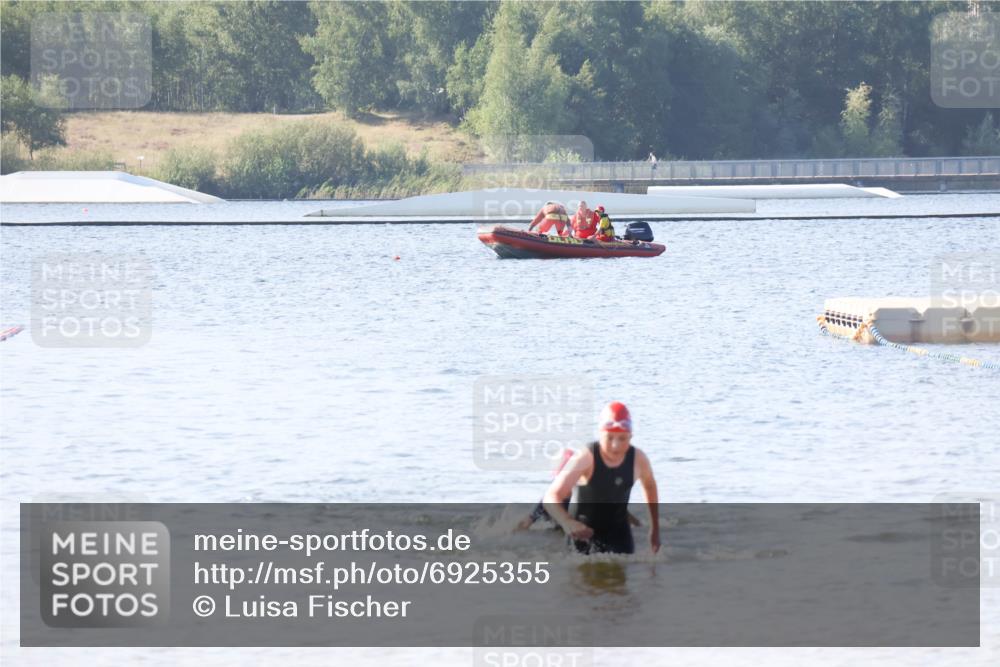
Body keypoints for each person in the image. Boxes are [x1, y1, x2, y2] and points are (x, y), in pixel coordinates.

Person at [543, 402, 660, 554]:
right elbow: (551, 496)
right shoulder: (586, 457)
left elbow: (650, 486)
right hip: (582, 535)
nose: (615, 445)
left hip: (619, 537)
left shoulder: (638, 459)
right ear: (600, 433)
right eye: (609, 438)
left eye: (622, 438)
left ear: (630, 436)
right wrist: (567, 522)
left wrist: (654, 528)